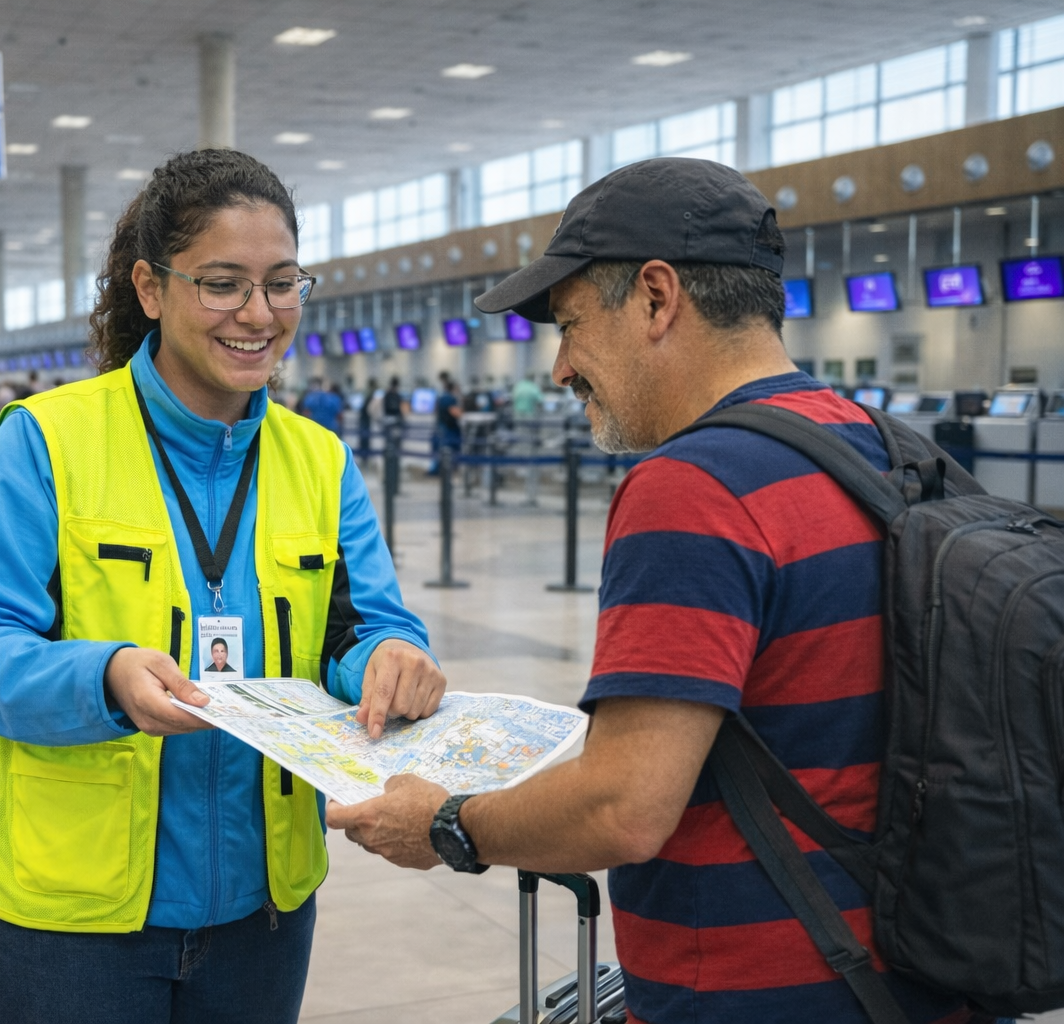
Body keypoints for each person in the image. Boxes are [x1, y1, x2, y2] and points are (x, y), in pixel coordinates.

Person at [326, 159, 974, 1024]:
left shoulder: (697, 486)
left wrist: (447, 823)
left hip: (768, 993)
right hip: (929, 976)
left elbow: (624, 807)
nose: (562, 368)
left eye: (571, 325)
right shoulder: (896, 453)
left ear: (657, 298)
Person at [0, 148, 443, 1024]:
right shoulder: (47, 442)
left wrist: (392, 657)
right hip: (70, 920)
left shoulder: (319, 461)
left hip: (261, 913)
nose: (259, 314)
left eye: (282, 284)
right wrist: (105, 677)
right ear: (151, 288)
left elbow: (358, 629)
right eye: (222, 284)